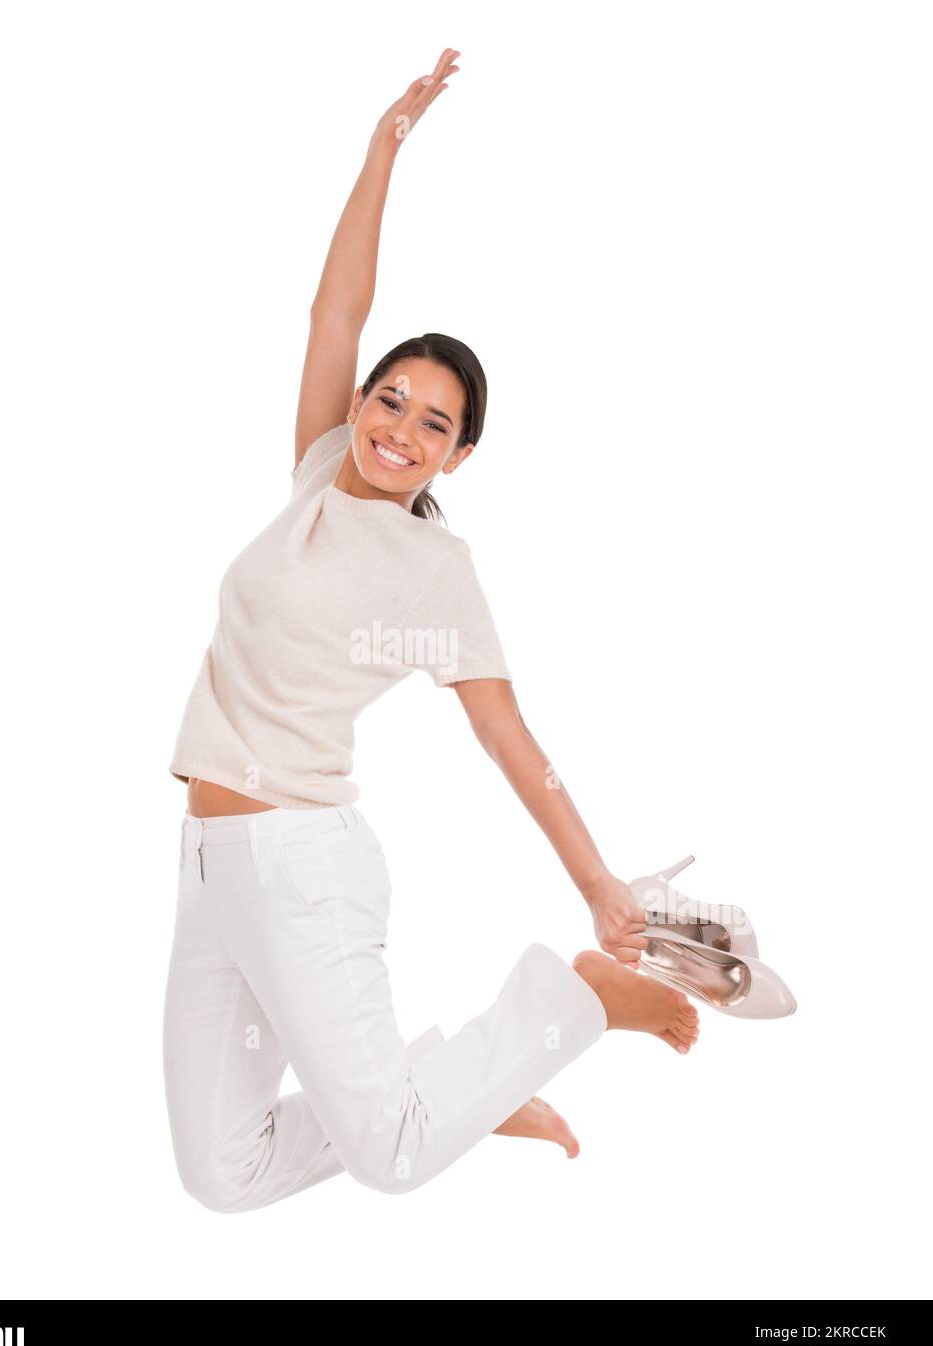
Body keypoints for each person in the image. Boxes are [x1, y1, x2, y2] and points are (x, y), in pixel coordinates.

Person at [162, 47, 699, 1214]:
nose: (398, 426)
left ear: (460, 455)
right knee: (221, 1169)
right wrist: (383, 147)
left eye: (433, 422)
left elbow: (509, 737)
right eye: (389, 398)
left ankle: (581, 1000)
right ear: (360, 404)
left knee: (394, 1155)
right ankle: (459, 1087)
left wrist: (600, 879)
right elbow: (334, 308)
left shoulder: (433, 571)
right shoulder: (318, 471)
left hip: (304, 861)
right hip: (209, 862)